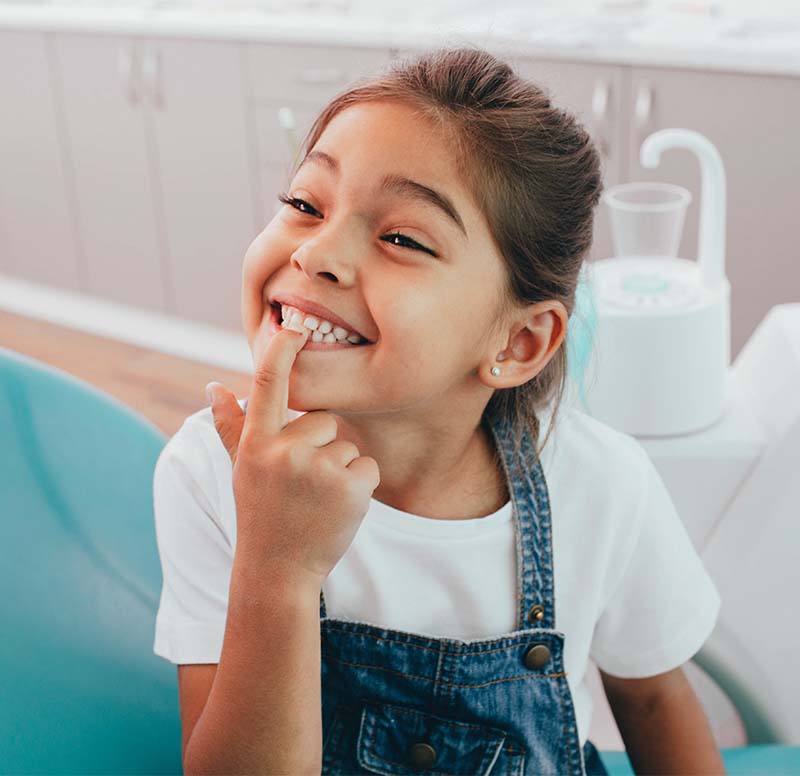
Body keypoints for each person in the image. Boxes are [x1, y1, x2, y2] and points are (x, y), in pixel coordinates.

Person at [152, 46, 725, 775]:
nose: (317, 253)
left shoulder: (604, 485)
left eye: (401, 237)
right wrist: (277, 566)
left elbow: (652, 701)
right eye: (305, 203)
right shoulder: (209, 472)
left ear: (518, 342)